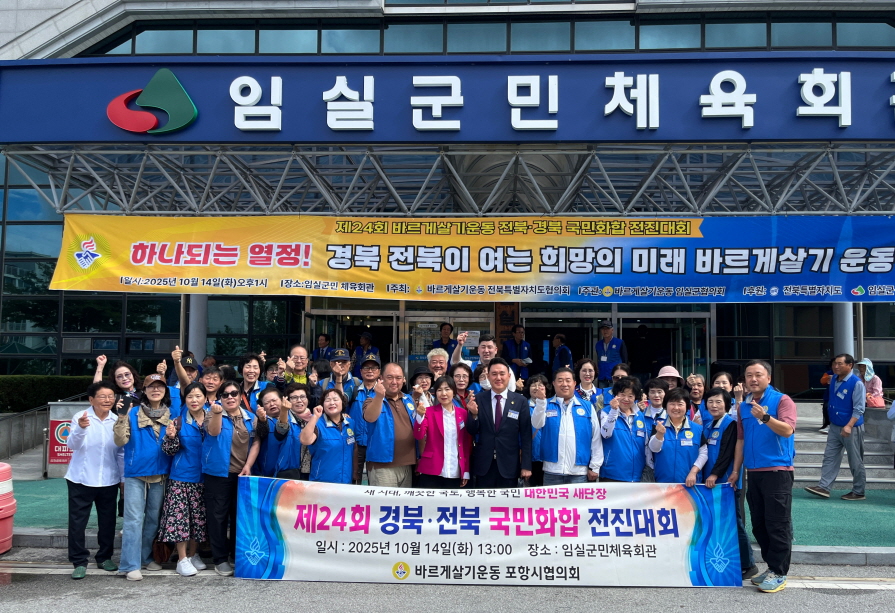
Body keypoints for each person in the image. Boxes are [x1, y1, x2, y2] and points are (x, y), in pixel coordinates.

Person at [735, 359, 797, 593]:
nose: (753, 379)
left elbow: (788, 430)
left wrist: (765, 417)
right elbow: (740, 440)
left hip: (777, 472)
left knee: (777, 524)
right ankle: (771, 567)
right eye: (749, 375)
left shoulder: (782, 400)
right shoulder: (744, 406)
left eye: (758, 375)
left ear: (768, 378)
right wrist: (736, 470)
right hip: (754, 472)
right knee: (759, 524)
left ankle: (779, 572)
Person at [202, 380, 268, 576]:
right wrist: (216, 413)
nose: (230, 397)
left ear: (240, 396)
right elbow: (213, 432)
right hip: (217, 474)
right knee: (218, 516)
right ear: (219, 398)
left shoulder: (250, 417)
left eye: (234, 393)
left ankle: (235, 555)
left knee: (239, 515)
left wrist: (248, 465)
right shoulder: (212, 413)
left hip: (242, 473)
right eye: (225, 395)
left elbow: (257, 442)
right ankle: (220, 559)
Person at [113, 373, 173, 581]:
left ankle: (145, 557)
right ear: (144, 391)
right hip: (135, 473)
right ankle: (130, 564)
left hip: (161, 474)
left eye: (160, 386)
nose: (156, 390)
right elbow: (120, 441)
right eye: (151, 386)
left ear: (165, 391)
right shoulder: (131, 413)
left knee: (154, 519)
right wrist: (121, 417)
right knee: (133, 519)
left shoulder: (172, 415)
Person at [65, 381, 124, 580]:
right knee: (77, 522)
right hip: (80, 479)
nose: (108, 400)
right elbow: (72, 445)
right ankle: (79, 562)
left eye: (111, 396)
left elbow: (121, 452)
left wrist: (123, 478)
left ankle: (104, 557)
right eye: (102, 396)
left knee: (107, 522)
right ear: (91, 400)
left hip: (109, 479)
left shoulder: (116, 420)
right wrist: (81, 429)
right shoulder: (80, 417)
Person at [701, 387, 758, 580]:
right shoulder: (709, 425)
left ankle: (748, 564)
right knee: (720, 524)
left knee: (734, 522)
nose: (714, 405)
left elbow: (726, 454)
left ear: (727, 404)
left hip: (726, 483)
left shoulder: (731, 424)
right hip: (711, 483)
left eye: (718, 402)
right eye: (710, 402)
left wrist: (715, 474)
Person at [157, 381, 208, 577]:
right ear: (184, 399)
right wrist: (170, 437)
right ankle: (182, 559)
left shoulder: (213, 418)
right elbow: (169, 451)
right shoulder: (178, 421)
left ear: (205, 398)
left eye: (198, 396)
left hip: (204, 478)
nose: (194, 400)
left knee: (198, 520)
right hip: (181, 478)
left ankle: (193, 555)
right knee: (181, 520)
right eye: (190, 396)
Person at [805, 353, 867, 501]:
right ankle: (824, 487)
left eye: (840, 364)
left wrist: (849, 425)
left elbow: (859, 408)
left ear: (850, 365)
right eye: (835, 364)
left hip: (851, 427)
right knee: (830, 456)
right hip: (834, 426)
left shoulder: (856, 383)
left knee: (855, 460)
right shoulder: (834, 379)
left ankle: (859, 491)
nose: (836, 366)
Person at [466, 358, 532, 488]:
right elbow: (471, 430)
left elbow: (526, 436)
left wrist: (526, 466)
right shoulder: (478, 399)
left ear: (509, 376)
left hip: (509, 465)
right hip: (484, 465)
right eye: (494, 374)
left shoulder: (520, 401)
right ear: (488, 376)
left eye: (502, 374)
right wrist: (473, 415)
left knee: (508, 501)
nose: (498, 378)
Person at [531, 368, 602, 485]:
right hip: (552, 471)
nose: (564, 384)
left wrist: (595, 466)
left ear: (574, 383)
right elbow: (536, 424)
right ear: (553, 383)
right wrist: (541, 402)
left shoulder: (587, 406)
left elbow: (596, 438)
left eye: (568, 380)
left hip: (579, 472)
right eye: (560, 380)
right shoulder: (546, 404)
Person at [413, 376, 473, 488]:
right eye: (439, 390)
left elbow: (465, 444)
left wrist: (465, 471)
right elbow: (418, 435)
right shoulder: (429, 412)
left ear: (454, 392)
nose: (443, 393)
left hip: (455, 470)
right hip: (431, 469)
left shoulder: (463, 413)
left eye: (447, 389)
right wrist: (420, 416)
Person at [363, 363, 416, 488]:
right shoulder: (372, 399)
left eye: (398, 378)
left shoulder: (409, 399)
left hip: (408, 464)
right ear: (381, 378)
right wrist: (379, 397)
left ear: (403, 380)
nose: (394, 382)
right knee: (383, 501)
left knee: (403, 501)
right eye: (390, 377)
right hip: (383, 466)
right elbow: (369, 417)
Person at [647, 387, 706, 486]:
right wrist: (659, 434)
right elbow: (654, 449)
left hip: (689, 484)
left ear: (687, 406)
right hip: (662, 483)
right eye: (672, 404)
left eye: (680, 404)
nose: (676, 408)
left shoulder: (697, 429)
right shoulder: (658, 426)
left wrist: (693, 472)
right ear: (666, 405)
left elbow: (704, 453)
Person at [300, 389, 356, 484]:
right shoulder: (317, 423)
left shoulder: (350, 423)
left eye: (335, 399)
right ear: (322, 404)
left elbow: (354, 448)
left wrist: (355, 473)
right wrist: (315, 417)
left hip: (346, 481)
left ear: (342, 403)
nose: (332, 403)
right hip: (322, 482)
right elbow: (305, 440)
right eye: (327, 400)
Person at [599, 376, 648, 483]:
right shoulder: (606, 412)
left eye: (630, 396)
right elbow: (606, 434)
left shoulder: (640, 415)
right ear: (616, 394)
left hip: (636, 476)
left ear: (635, 397)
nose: (626, 399)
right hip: (612, 474)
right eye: (622, 394)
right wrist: (614, 411)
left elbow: (645, 444)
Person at [265, 383, 313, 480]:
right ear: (288, 400)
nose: (299, 400)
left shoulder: (315, 419)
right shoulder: (284, 418)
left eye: (302, 397)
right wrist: (284, 411)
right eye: (294, 398)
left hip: (312, 472)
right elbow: (280, 431)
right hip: (289, 473)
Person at [348, 353, 381, 483]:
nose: (370, 371)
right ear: (361, 371)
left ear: (379, 372)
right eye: (366, 368)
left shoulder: (383, 392)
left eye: (374, 368)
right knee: (355, 477)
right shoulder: (354, 390)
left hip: (376, 442)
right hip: (356, 443)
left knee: (376, 479)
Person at [451, 332, 518, 392]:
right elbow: (455, 362)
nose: (486, 351)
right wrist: (459, 345)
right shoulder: (469, 366)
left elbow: (511, 390)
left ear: (496, 350)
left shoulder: (505, 369)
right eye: (483, 347)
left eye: (489, 347)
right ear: (478, 350)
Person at [524, 374, 550, 487]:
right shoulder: (523, 405)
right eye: (533, 385)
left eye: (540, 385)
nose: (537, 388)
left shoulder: (552, 405)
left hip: (549, 456)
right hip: (530, 455)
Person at [594, 321, 628, 387]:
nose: (605, 331)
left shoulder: (619, 342)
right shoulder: (598, 344)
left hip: (616, 377)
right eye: (603, 329)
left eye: (607, 328)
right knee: (603, 393)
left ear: (612, 330)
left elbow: (625, 360)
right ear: (600, 330)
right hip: (602, 377)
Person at [819, 359, 834, 434]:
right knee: (826, 408)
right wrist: (828, 378)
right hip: (829, 395)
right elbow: (822, 381)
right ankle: (827, 423)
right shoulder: (828, 373)